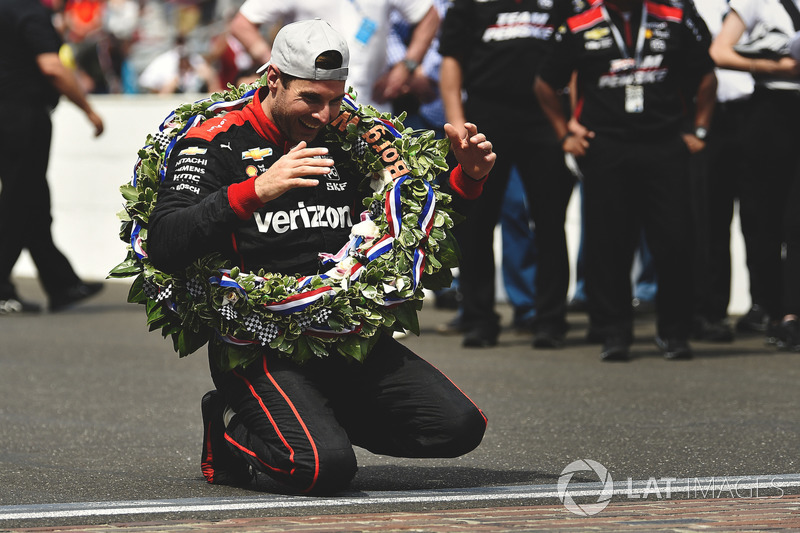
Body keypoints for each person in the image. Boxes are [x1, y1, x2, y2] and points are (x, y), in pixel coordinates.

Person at [146, 19, 493, 493]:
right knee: (322, 469)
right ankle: (231, 429)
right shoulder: (214, 139)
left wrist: (466, 179)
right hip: (258, 339)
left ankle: (312, 418)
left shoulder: (353, 138)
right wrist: (254, 191)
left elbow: (412, 222)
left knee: (458, 426)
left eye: (335, 98)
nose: (325, 114)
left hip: (339, 331)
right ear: (274, 79)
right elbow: (164, 241)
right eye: (310, 99)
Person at [535, 0, 717, 361]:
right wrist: (564, 134)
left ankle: (675, 333)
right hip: (606, 149)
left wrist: (700, 128)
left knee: (676, 240)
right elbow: (544, 84)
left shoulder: (675, 19)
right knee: (608, 244)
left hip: (665, 145)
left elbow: (707, 75)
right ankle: (614, 332)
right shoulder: (579, 25)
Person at [439, 0, 576, 349]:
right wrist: (457, 127)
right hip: (485, 117)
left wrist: (572, 117)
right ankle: (480, 319)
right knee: (477, 222)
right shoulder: (468, 5)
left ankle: (550, 320)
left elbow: (575, 59)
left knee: (549, 221)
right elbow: (452, 62)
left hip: (545, 119)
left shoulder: (559, 4)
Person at [0, 0, 104, 315]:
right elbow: (52, 66)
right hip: (23, 116)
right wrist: (88, 109)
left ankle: (61, 283)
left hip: (7, 114)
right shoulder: (31, 12)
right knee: (18, 203)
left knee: (32, 201)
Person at [709, 0, 800, 351]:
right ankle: (774, 311)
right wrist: (773, 66)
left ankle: (793, 313)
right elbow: (719, 51)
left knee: (797, 222)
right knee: (766, 220)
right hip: (770, 112)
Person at [228, 0, 440, 112]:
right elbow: (242, 24)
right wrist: (278, 65)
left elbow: (429, 16)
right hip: (311, 108)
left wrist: (407, 66)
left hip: (372, 104)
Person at [689, 0, 755, 343]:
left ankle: (762, 306)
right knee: (710, 220)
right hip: (706, 121)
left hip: (756, 113)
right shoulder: (686, 7)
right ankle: (706, 311)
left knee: (758, 219)